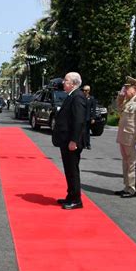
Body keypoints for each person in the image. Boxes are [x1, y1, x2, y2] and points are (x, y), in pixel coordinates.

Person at [53, 72, 86, 210]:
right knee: (68, 169)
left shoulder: (77, 97)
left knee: (72, 170)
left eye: (66, 81)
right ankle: (70, 195)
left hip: (71, 141)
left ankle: (76, 199)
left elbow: (79, 121)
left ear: (73, 83)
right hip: (65, 140)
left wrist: (74, 140)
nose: (63, 83)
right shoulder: (71, 95)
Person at [114, 77, 136, 198]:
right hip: (125, 137)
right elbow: (118, 109)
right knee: (126, 162)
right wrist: (121, 96)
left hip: (133, 138)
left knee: (133, 164)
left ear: (134, 88)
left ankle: (134, 189)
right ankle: (127, 186)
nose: (124, 90)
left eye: (126, 88)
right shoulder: (130, 100)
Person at [82, 85, 96, 150]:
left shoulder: (91, 98)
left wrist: (93, 118)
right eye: (83, 90)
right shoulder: (81, 97)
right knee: (82, 131)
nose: (84, 92)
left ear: (89, 91)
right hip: (81, 117)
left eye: (86, 90)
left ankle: (88, 144)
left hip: (88, 117)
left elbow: (93, 109)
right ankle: (83, 144)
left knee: (87, 131)